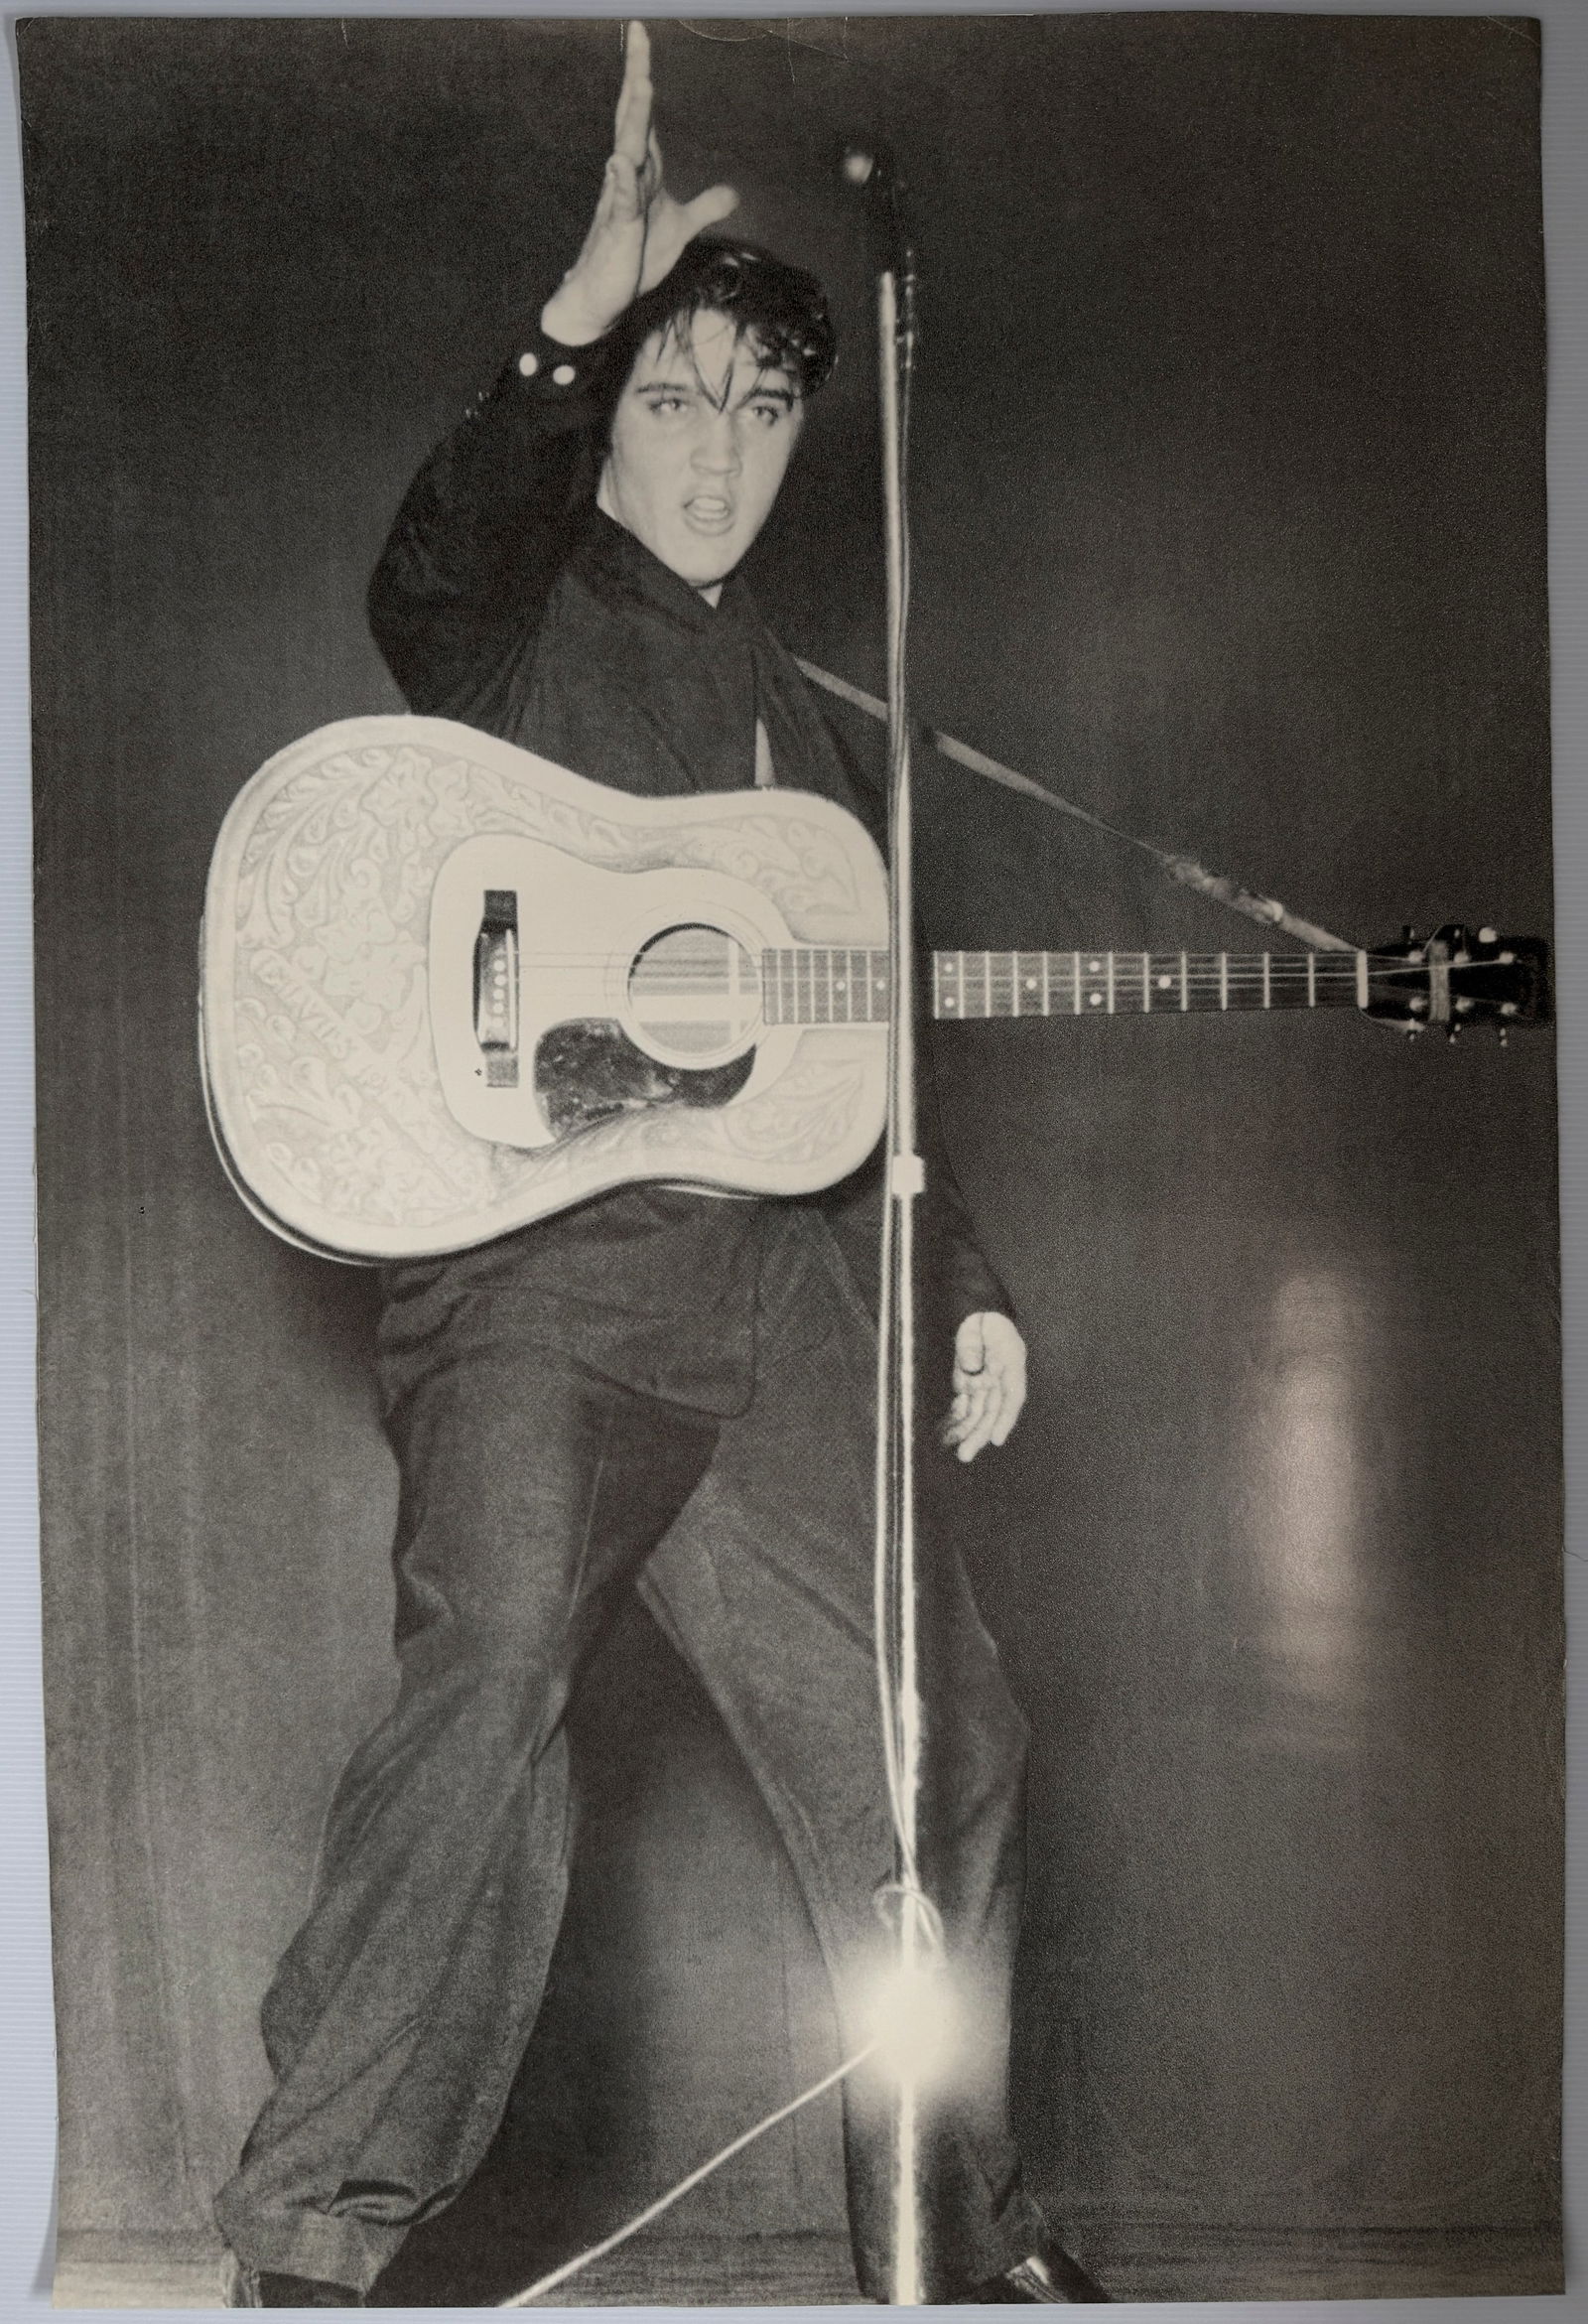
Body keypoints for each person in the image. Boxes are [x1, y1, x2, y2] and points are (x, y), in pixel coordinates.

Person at [217, 23, 1106, 2308]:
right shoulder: (507, 622)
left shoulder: (825, 740)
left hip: (777, 1303)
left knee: (952, 1736)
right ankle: (308, 2241)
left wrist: (973, 1280)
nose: (714, 452)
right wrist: (565, 321)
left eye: (760, 411)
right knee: (494, 1669)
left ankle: (949, 2227)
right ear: (615, 419)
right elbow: (426, 567)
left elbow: (864, 1068)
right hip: (537, 1295)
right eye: (673, 399)